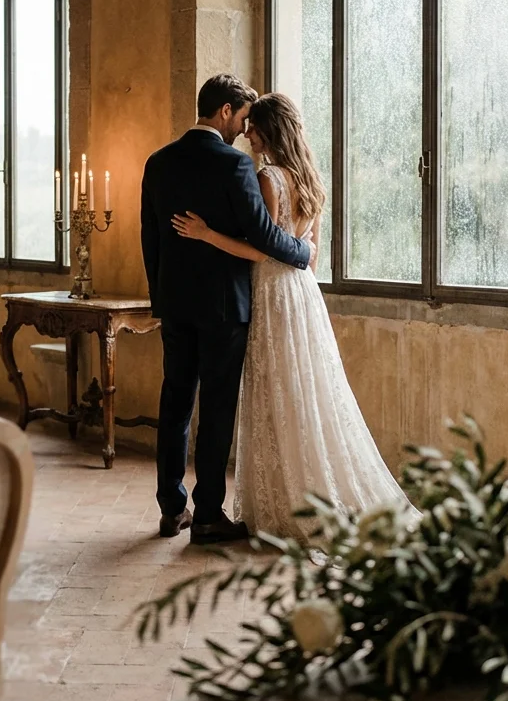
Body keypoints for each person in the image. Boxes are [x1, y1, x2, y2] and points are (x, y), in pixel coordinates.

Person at [173, 92, 413, 540]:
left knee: (276, 395)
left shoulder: (268, 178)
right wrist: (296, 266)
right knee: (305, 393)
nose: (247, 134)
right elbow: (311, 256)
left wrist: (206, 234)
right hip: (303, 296)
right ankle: (308, 491)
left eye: (253, 127)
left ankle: (285, 499)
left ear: (267, 131)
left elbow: (262, 248)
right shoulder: (312, 181)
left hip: (271, 295)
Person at [141, 75, 311, 545]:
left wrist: (160, 300)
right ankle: (207, 516)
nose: (244, 128)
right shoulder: (235, 164)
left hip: (175, 305)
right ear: (225, 111)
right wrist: (302, 253)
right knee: (216, 412)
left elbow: (150, 239)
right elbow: (263, 234)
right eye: (242, 117)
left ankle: (170, 508)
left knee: (175, 405)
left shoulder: (158, 162)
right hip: (224, 309)